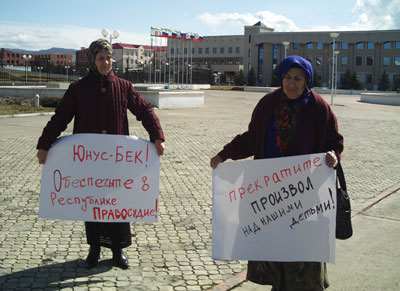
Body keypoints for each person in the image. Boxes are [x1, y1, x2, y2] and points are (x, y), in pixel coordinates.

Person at [210, 55, 343, 291]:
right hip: (270, 194)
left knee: (303, 253)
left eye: (298, 78)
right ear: (281, 78)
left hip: (306, 196)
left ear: (307, 81)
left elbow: (334, 141)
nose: (292, 84)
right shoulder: (268, 104)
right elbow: (252, 138)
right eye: (287, 77)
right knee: (275, 247)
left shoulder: (318, 107)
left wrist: (333, 155)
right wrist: (224, 155)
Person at [36, 39, 165, 270]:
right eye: (100, 58)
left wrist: (157, 136)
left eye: (108, 58)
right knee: (92, 205)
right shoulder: (78, 89)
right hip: (89, 164)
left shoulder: (124, 86)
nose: (105, 62)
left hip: (116, 163)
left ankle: (118, 250)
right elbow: (60, 118)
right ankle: (94, 248)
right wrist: (44, 145)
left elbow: (144, 110)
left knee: (117, 204)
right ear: (92, 62)